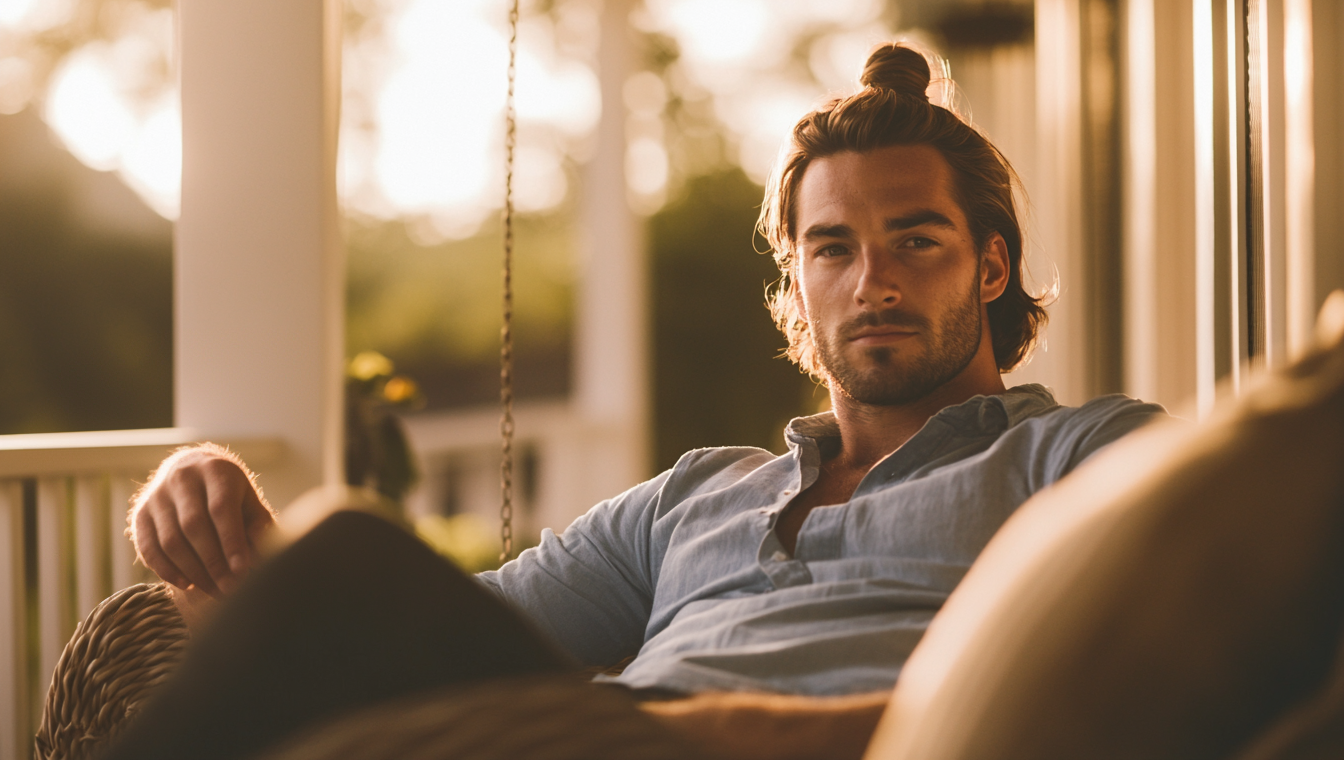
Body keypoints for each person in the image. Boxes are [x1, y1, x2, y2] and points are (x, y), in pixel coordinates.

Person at [121, 43, 1165, 760]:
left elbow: (1139, 672)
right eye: (832, 246)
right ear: (795, 280)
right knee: (342, 550)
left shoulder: (1080, 456)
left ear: (990, 267)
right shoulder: (695, 496)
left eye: (916, 239)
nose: (871, 280)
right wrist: (211, 516)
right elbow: (411, 635)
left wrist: (716, 733)